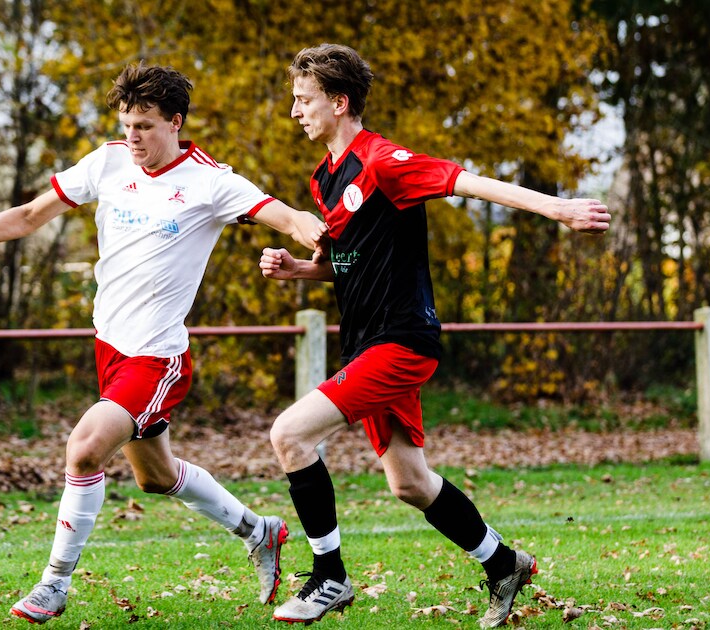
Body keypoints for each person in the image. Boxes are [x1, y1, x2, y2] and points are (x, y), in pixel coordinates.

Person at [0, 63, 325, 623]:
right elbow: (29, 215)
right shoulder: (108, 162)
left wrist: (309, 225)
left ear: (176, 123)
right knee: (155, 477)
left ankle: (54, 584)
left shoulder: (210, 180)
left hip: (156, 356)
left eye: (145, 125)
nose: (133, 137)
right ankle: (260, 531)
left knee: (85, 447)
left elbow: (279, 214)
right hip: (108, 347)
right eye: (127, 124)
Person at [257, 44, 611, 627]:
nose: (295, 111)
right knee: (410, 483)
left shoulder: (383, 161)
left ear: (339, 102)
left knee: (290, 435)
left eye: (304, 99)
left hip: (401, 341)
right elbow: (351, 261)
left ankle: (330, 578)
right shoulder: (326, 177)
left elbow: (468, 183)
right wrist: (301, 271)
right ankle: (504, 563)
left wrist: (558, 209)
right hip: (367, 343)